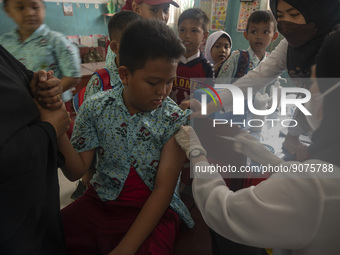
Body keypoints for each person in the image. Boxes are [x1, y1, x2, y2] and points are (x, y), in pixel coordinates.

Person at [175, 29, 340, 255]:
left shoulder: (316, 189)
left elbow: (225, 212)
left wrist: (196, 153)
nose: (307, 92)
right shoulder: (327, 165)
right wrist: (263, 154)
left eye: (312, 82)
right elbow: (256, 78)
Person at [58, 19, 194, 255]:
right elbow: (75, 171)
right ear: (124, 74)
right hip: (101, 202)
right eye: (153, 82)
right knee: (46, 233)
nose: (163, 91)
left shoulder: (173, 118)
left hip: (153, 212)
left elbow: (163, 192)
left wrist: (125, 249)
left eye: (169, 81)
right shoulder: (96, 107)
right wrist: (57, 129)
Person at [180, 0, 340, 161]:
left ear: (318, 12)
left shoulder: (335, 47)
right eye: (281, 15)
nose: (286, 23)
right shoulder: (290, 47)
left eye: (294, 14)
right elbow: (255, 78)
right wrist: (209, 107)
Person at [0, 45, 70, 254]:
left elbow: (18, 80)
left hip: (40, 217)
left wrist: (41, 85)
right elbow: (76, 169)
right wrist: (50, 129)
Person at [70, 10, 142, 200]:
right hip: (106, 171)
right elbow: (88, 127)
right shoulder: (101, 81)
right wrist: (88, 170)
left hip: (138, 169)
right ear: (115, 47)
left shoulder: (145, 77)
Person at [0, 0, 81, 103]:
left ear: (43, 8)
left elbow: (73, 76)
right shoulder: (4, 43)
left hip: (54, 106)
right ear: (8, 10)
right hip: (17, 107)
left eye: (35, 7)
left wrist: (48, 94)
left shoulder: (57, 40)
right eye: (20, 8)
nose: (29, 13)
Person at [217, 9, 278, 82]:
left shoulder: (271, 60)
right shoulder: (237, 57)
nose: (259, 36)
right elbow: (220, 86)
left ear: (274, 36)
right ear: (246, 35)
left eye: (265, 32)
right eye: (254, 32)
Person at [171, 8, 214, 105]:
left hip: (193, 118)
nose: (187, 35)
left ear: (204, 36)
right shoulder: (170, 61)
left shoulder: (207, 67)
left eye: (194, 31)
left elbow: (208, 100)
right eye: (182, 30)